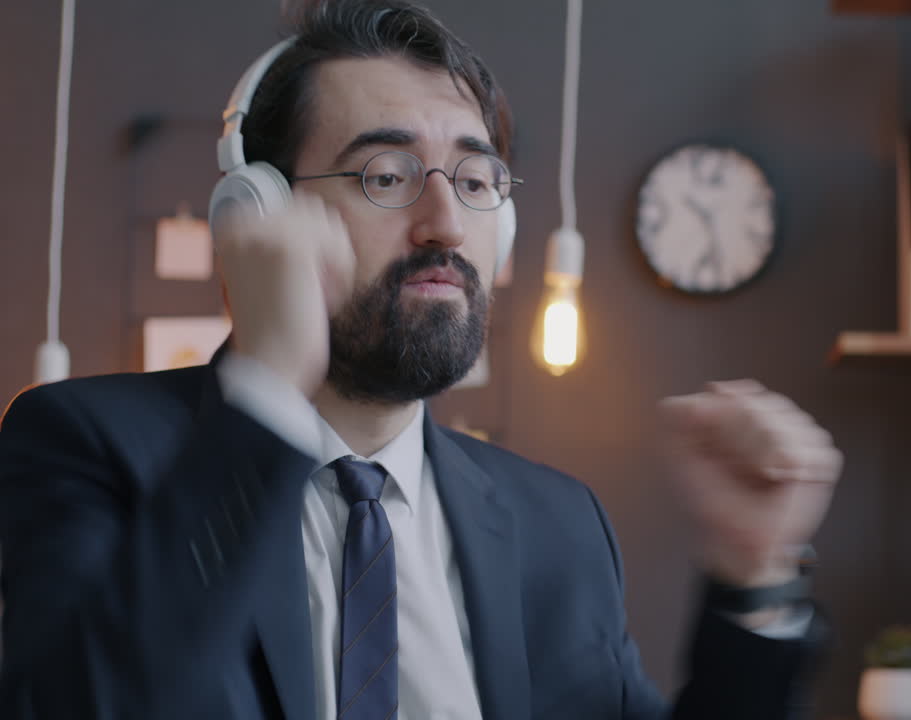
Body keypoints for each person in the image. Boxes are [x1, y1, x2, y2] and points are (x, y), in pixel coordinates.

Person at [0, 1, 843, 718]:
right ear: (257, 215)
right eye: (386, 174)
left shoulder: (557, 524)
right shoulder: (84, 441)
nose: (445, 222)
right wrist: (268, 385)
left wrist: (752, 578)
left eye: (476, 181)